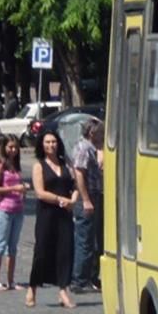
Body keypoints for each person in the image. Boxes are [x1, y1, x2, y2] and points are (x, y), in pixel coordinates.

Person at [26, 131, 78, 309]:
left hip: (64, 214)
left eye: (54, 141)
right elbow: (40, 193)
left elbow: (75, 186)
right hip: (47, 213)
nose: (51, 145)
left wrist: (73, 200)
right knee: (42, 251)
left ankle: (63, 290)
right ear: (42, 145)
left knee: (65, 250)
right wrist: (60, 200)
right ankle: (32, 287)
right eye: (47, 142)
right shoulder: (39, 166)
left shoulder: (65, 164)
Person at [0, 136, 29, 291]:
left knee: (13, 247)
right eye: (10, 147)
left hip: (18, 210)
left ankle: (10, 280)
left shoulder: (16, 166)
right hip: (4, 210)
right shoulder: (0, 167)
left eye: (16, 147)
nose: (13, 150)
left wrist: (23, 188)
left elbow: (18, 184)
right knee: (0, 245)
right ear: (4, 148)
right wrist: (14, 188)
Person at [71, 120, 104, 292]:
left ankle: (92, 277)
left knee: (94, 239)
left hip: (95, 195)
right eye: (100, 132)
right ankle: (79, 280)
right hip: (88, 197)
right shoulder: (84, 148)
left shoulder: (92, 148)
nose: (103, 135)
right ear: (92, 133)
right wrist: (85, 199)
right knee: (85, 240)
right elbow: (79, 174)